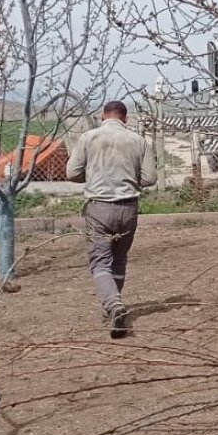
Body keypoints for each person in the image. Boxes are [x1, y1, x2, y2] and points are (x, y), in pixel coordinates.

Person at [65, 101, 157, 338]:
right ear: (125, 119)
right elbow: (149, 179)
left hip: (99, 208)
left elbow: (72, 173)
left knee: (100, 262)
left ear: (101, 117)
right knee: (118, 259)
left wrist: (95, 174)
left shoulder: (89, 137)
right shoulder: (138, 141)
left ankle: (114, 306)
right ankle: (113, 305)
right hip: (128, 208)